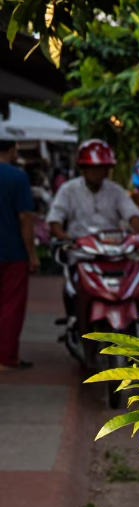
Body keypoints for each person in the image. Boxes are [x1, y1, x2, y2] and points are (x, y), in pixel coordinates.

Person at [48, 139, 139, 241]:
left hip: (113, 247)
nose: (99, 173)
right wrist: (63, 236)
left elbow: (132, 214)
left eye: (103, 168)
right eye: (94, 168)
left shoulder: (116, 191)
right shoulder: (68, 190)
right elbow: (55, 217)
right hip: (79, 248)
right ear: (83, 169)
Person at [0, 137, 38, 370]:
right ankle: (5, 357)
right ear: (12, 150)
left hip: (11, 250)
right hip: (12, 251)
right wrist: (32, 254)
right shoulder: (17, 177)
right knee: (11, 305)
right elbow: (25, 218)